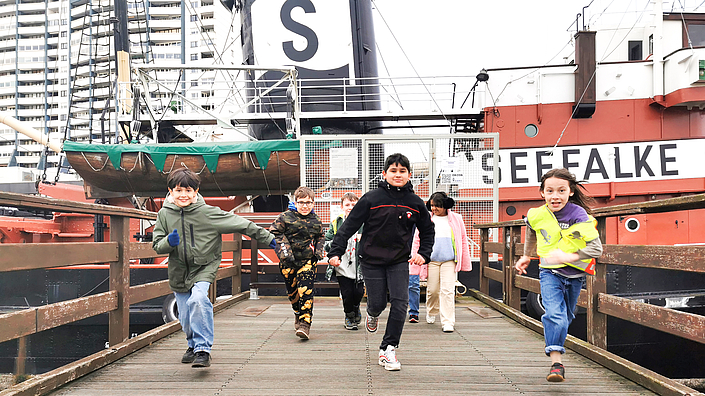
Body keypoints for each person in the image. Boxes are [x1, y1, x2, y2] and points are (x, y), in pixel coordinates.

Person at [152, 168, 275, 368]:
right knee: (184, 316)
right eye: (179, 190)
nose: (184, 195)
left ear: (196, 191)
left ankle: (203, 349)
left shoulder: (208, 212)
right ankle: (192, 344)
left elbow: (240, 223)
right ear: (170, 191)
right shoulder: (164, 215)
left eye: (189, 190)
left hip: (204, 266)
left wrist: (266, 237)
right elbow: (157, 245)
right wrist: (168, 242)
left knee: (199, 300)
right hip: (178, 270)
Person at [328, 153, 435, 371]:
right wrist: (335, 251)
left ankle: (388, 349)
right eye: (393, 171)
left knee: (400, 303)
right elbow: (348, 226)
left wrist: (424, 253)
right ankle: (372, 314)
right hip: (371, 260)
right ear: (385, 174)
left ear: (409, 175)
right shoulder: (371, 199)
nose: (398, 175)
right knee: (376, 303)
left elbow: (428, 230)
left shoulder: (415, 203)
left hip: (398, 261)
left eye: (402, 171)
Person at [514, 168, 603, 382]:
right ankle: (556, 363)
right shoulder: (537, 214)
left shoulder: (579, 215)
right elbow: (532, 229)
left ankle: (556, 351)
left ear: (570, 192)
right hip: (549, 272)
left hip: (575, 275)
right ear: (542, 193)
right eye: (550, 191)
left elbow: (596, 249)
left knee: (566, 317)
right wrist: (527, 256)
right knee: (555, 315)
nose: (556, 196)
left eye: (561, 190)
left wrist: (568, 256)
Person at [410, 191, 472, 333]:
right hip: (431, 260)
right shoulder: (426, 219)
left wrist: (464, 260)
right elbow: (417, 239)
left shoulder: (456, 218)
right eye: (432, 205)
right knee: (433, 290)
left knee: (447, 291)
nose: (434, 209)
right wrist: (416, 256)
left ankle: (447, 321)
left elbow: (462, 239)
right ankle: (431, 311)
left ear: (445, 205)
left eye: (437, 206)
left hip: (449, 260)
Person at [270, 186, 325, 340]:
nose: (305, 206)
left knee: (306, 291)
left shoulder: (316, 220)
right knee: (292, 292)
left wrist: (318, 252)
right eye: (301, 202)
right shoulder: (284, 217)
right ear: (296, 202)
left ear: (313, 203)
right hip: (287, 262)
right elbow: (274, 232)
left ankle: (305, 324)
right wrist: (285, 251)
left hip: (307, 261)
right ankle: (297, 312)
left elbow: (320, 236)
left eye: (308, 202)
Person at [324, 192, 364, 330]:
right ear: (342, 206)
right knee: (346, 292)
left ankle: (356, 307)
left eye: (354, 204)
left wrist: (363, 238)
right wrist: (333, 250)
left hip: (359, 264)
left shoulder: (365, 221)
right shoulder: (337, 222)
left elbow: (374, 239)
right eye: (347, 204)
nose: (350, 207)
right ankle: (349, 315)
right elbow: (327, 241)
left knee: (358, 292)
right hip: (342, 263)